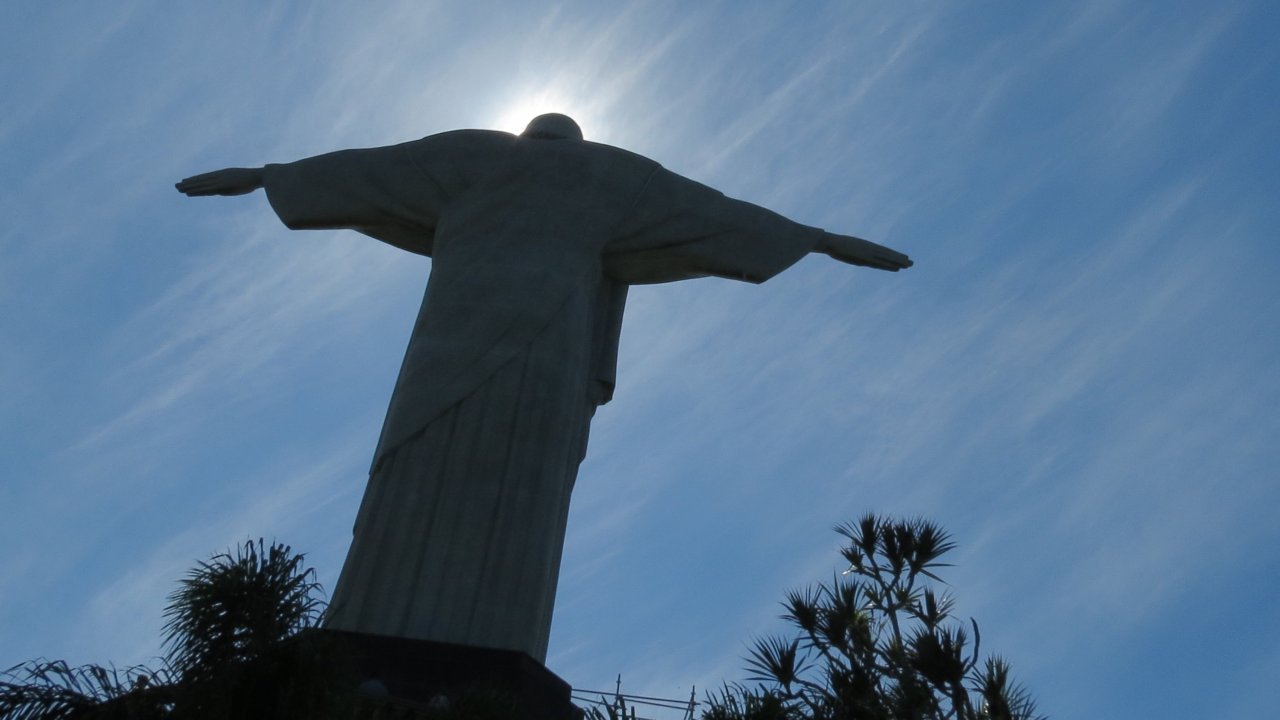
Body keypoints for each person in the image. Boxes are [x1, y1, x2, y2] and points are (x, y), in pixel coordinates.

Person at [176, 113, 911, 662]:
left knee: (489, 480)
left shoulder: (478, 156)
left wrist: (267, 175)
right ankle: (400, 628)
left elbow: (366, 172)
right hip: (487, 347)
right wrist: (816, 238)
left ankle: (456, 633)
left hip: (508, 352)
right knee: (435, 470)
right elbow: (715, 214)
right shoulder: (610, 174)